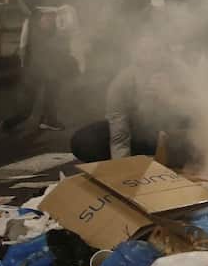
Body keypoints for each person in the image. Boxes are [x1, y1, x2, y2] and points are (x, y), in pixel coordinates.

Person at [70, 26, 197, 166]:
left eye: (156, 50)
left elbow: (202, 112)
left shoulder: (180, 71)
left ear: (165, 52)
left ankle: (167, 157)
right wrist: (124, 168)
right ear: (135, 56)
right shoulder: (122, 83)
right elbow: (119, 136)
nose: (151, 58)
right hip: (139, 136)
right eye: (144, 52)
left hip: (174, 134)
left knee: (200, 140)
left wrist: (171, 98)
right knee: (84, 141)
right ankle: (148, 159)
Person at [2, 0, 78, 133]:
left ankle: (49, 117)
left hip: (59, 21)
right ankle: (22, 114)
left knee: (56, 71)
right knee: (35, 70)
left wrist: (67, 11)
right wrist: (37, 15)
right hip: (41, 22)